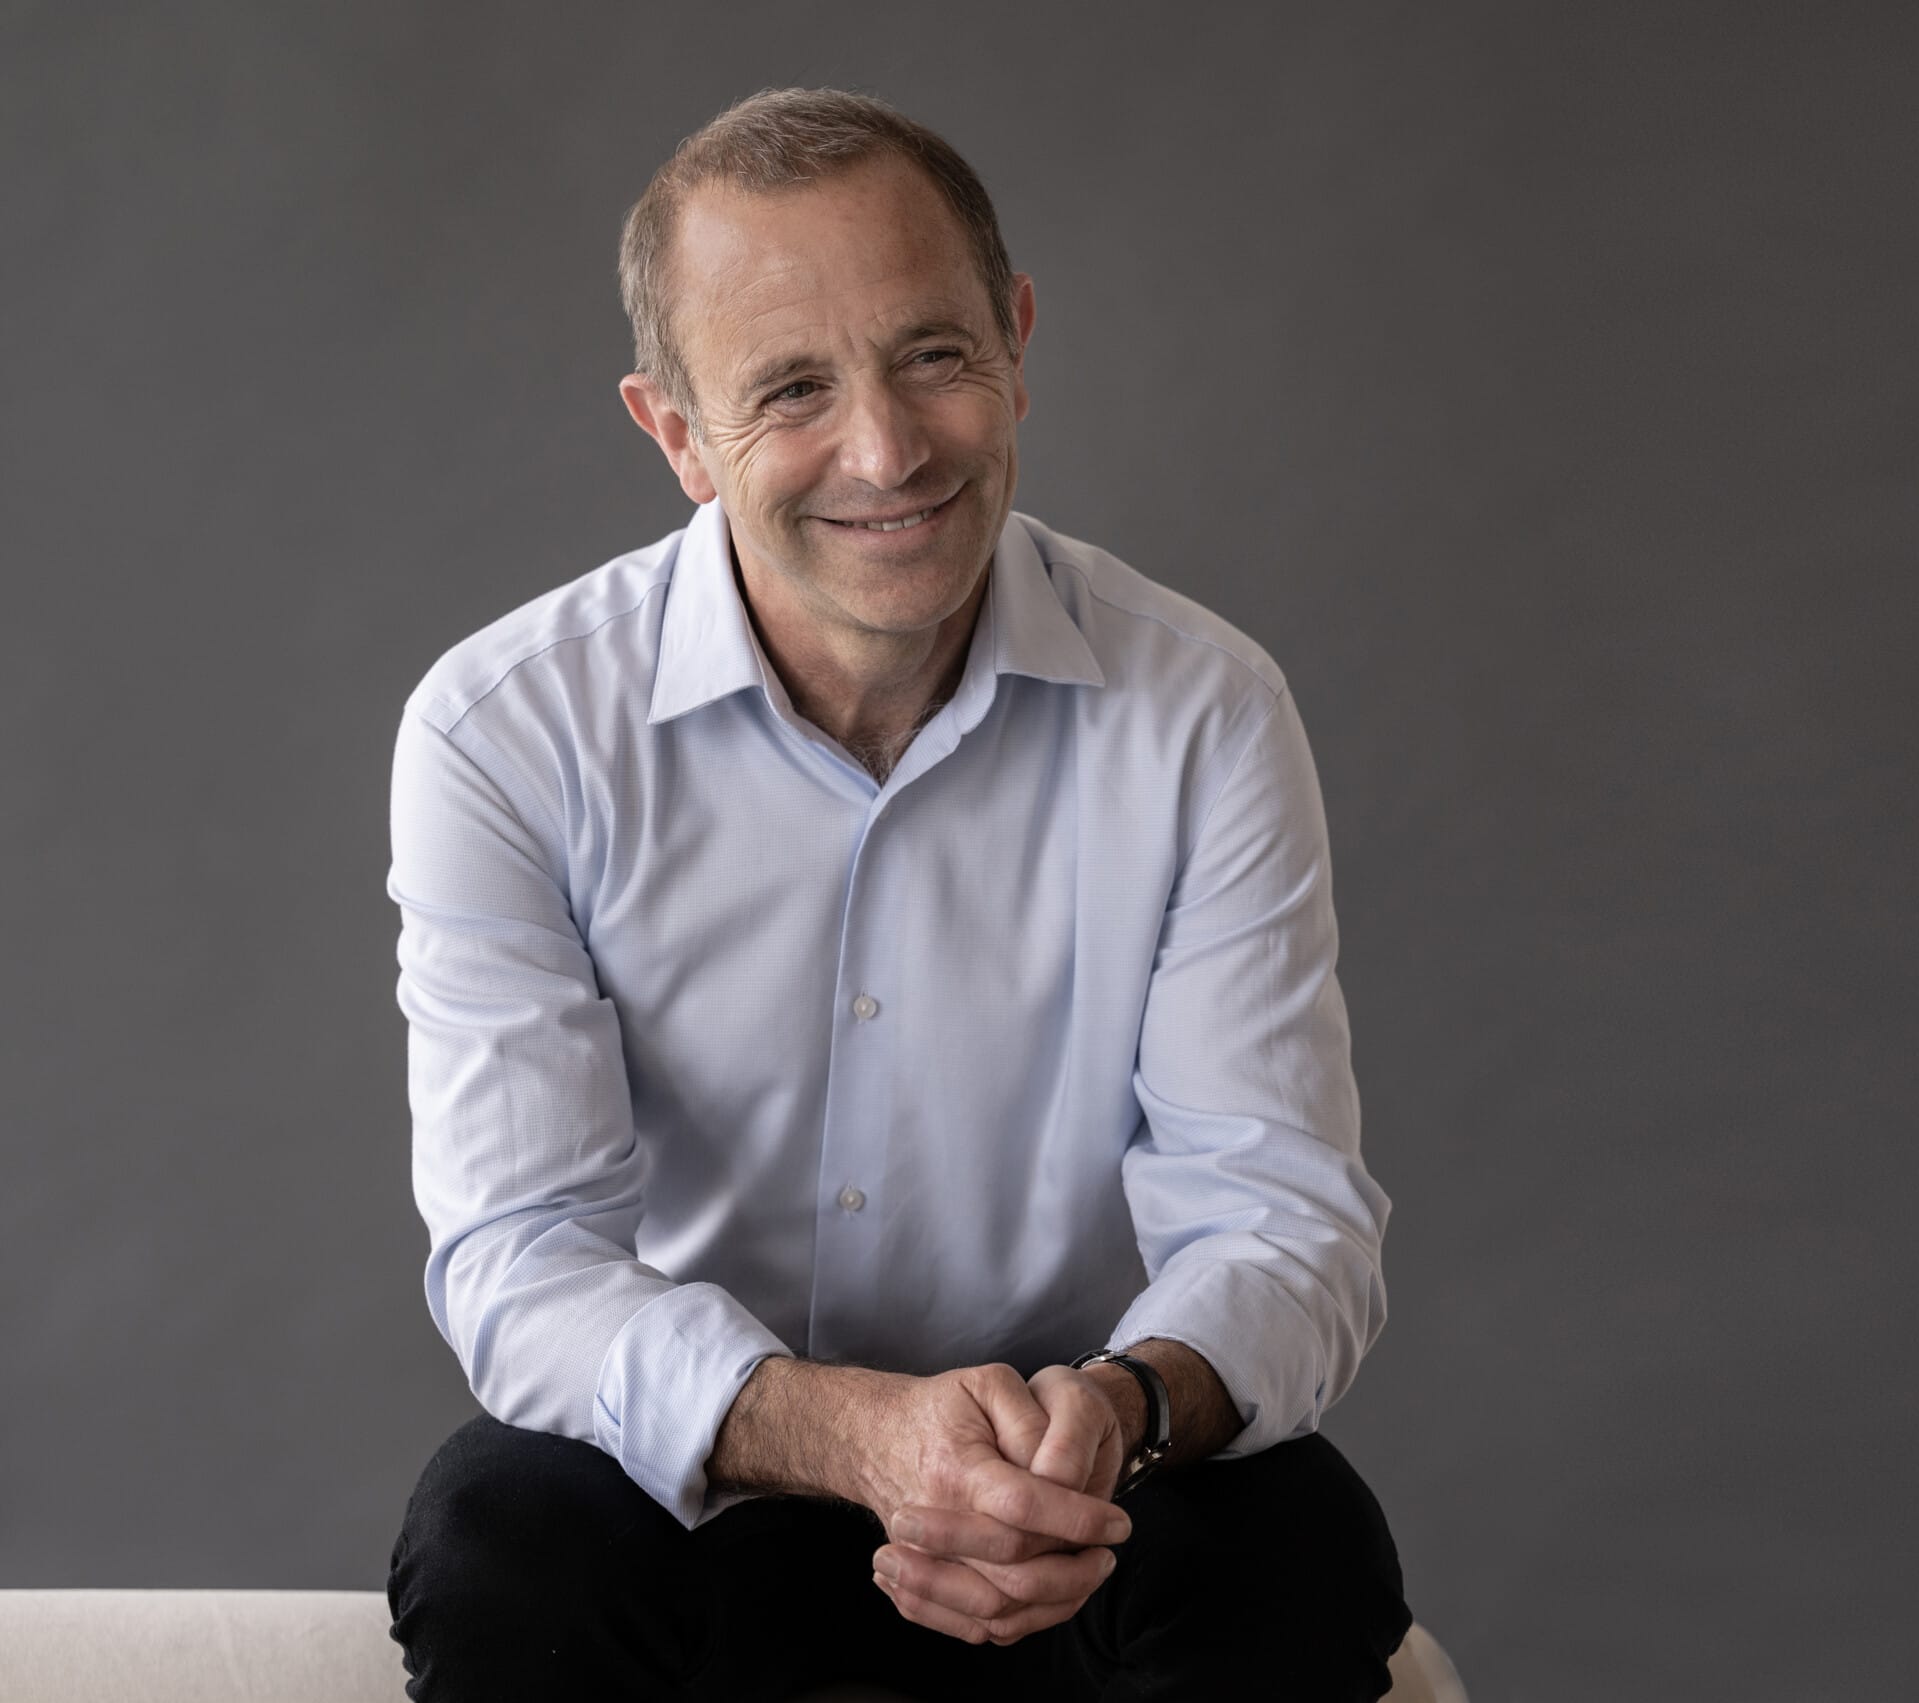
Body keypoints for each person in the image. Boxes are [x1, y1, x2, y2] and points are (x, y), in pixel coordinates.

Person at [382, 87, 1409, 1701]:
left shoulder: (1205, 709)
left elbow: (1281, 1217)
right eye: (792, 387)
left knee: (1300, 1539)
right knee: (499, 1532)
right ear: (676, 437)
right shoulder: (505, 731)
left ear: (1013, 339)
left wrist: (1118, 1411)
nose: (886, 449)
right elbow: (522, 1260)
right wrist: (857, 1435)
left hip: (1079, 1501)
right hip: (704, 1497)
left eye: (932, 354)